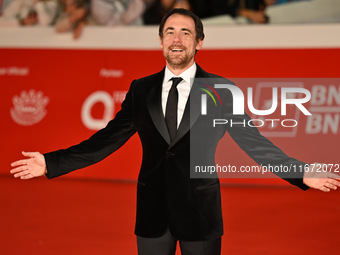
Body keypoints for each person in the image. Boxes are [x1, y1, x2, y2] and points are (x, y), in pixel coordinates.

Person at [10, 8, 340, 255]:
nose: (176, 39)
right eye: (169, 31)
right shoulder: (141, 90)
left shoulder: (222, 91)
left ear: (199, 41)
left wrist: (300, 172)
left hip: (200, 212)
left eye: (185, 32)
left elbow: (253, 143)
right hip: (152, 212)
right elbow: (106, 140)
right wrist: (51, 163)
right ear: (160, 40)